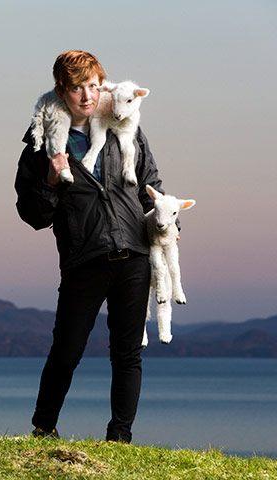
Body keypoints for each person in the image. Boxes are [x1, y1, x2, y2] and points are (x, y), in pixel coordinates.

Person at [14, 50, 167, 443]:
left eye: (94, 86)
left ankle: (120, 438)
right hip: (85, 258)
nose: (87, 95)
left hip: (134, 253)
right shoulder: (40, 144)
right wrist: (49, 181)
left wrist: (170, 221)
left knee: (127, 353)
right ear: (60, 90)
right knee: (67, 351)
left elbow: (151, 183)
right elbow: (33, 215)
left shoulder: (124, 127)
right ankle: (43, 428)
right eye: (77, 88)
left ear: (104, 85)